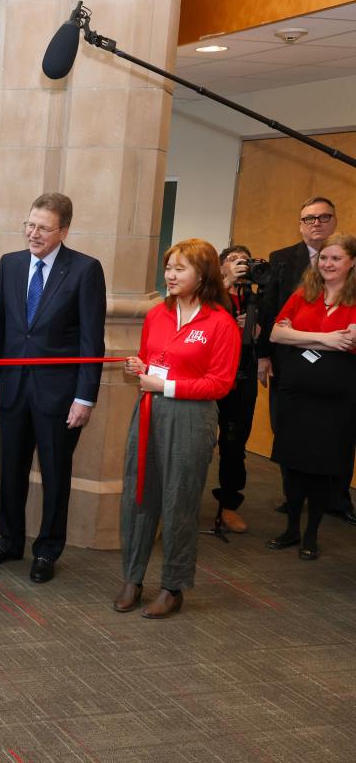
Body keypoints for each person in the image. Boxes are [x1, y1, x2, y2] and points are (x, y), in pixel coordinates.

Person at [0, 193, 106, 583]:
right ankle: (9, 540)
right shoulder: (11, 264)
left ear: (63, 230)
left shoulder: (85, 270)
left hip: (60, 396)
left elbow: (90, 340)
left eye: (43, 228)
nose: (33, 233)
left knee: (55, 473)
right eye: (29, 225)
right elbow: (0, 327)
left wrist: (85, 397)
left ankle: (47, 549)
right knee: (11, 468)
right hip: (12, 387)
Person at [116, 240, 239, 619]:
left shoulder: (221, 322)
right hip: (150, 410)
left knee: (179, 501)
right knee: (139, 495)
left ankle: (173, 586)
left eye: (179, 268)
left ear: (202, 275)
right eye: (168, 267)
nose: (169, 274)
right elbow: (152, 360)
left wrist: (165, 385)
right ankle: (132, 578)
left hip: (191, 417)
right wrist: (141, 369)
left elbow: (221, 383)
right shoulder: (157, 315)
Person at [257, 197, 355, 523]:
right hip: (291, 371)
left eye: (324, 217)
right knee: (290, 436)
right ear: (300, 224)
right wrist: (265, 356)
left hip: (339, 383)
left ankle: (337, 500)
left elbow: (350, 340)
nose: (316, 223)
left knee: (338, 441)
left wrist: (299, 336)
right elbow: (273, 321)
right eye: (309, 218)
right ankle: (293, 498)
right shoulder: (284, 261)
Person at [208, 245, 261, 534]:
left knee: (234, 445)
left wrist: (256, 331)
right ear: (220, 266)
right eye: (233, 260)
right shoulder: (211, 292)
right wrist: (225, 285)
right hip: (211, 376)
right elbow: (201, 317)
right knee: (200, 442)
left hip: (242, 377)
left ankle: (228, 505)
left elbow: (271, 334)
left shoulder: (256, 295)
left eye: (245, 260)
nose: (240, 264)